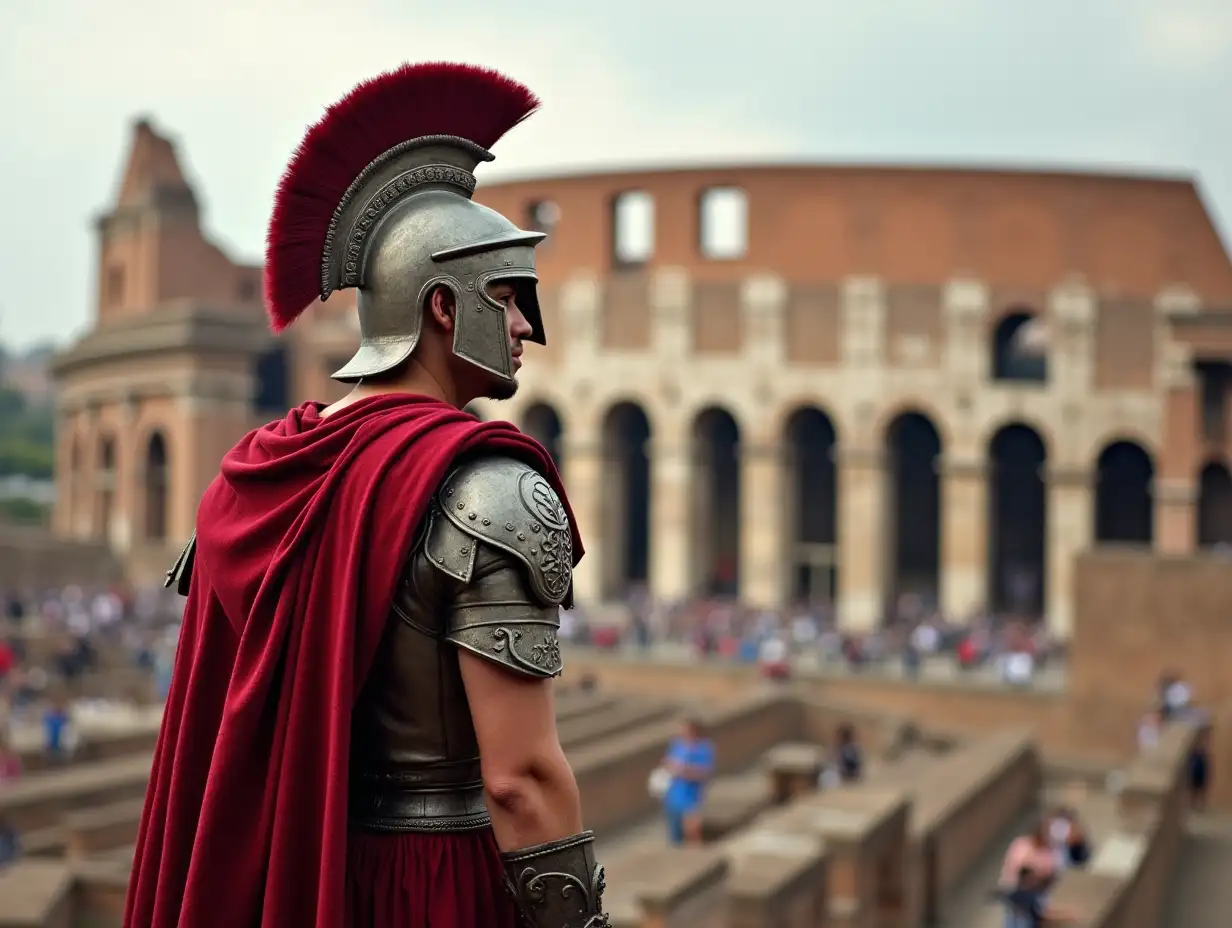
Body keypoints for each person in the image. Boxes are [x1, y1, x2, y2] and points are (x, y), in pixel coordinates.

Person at [123, 63, 609, 928]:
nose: (530, 325)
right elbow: (520, 779)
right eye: (509, 296)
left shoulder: (255, 473)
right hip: (435, 888)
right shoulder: (491, 489)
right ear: (443, 308)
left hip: (295, 872)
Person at [661, 717, 715, 846]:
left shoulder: (704, 748)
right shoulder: (677, 746)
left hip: (692, 800)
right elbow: (668, 764)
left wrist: (684, 771)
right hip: (673, 799)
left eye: (686, 729)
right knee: (675, 839)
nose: (683, 732)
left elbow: (704, 772)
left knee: (692, 838)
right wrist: (671, 767)